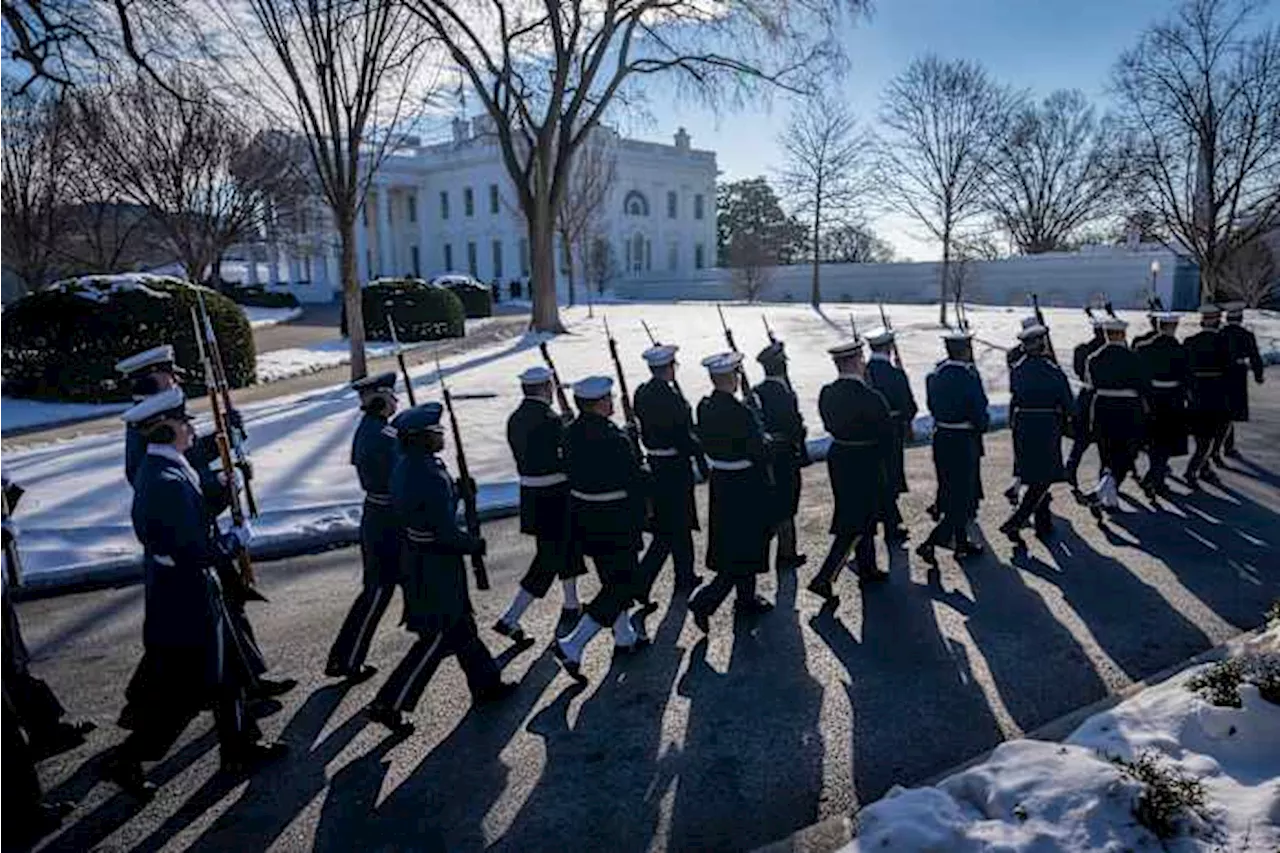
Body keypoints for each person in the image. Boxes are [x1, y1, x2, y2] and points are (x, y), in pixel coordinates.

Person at [103, 388, 286, 797]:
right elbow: (194, 549)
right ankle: (125, 760)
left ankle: (240, 746)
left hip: (191, 589)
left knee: (228, 673)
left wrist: (225, 487)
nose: (192, 429)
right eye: (185, 423)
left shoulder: (167, 468)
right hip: (184, 596)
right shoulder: (163, 479)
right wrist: (234, 542)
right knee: (185, 692)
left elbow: (194, 516)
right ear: (167, 429)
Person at [115, 346, 295, 713]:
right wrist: (220, 484)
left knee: (230, 609)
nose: (177, 379)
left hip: (198, 534)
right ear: (152, 381)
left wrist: (224, 437)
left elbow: (188, 458)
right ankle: (146, 711)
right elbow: (179, 478)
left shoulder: (159, 421)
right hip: (187, 545)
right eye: (170, 375)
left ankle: (247, 683)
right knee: (177, 644)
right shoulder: (145, 434)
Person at [366, 403, 514, 734]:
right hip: (435, 565)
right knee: (436, 638)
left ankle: (487, 683)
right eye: (436, 433)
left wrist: (458, 493)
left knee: (461, 629)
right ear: (421, 438)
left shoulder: (411, 466)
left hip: (422, 559)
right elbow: (443, 531)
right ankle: (387, 703)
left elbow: (430, 512)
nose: (441, 437)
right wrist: (472, 544)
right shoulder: (428, 474)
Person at [554, 377, 650, 683]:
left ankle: (624, 636)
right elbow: (633, 482)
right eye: (608, 398)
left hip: (586, 517)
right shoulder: (614, 438)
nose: (612, 402)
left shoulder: (569, 434)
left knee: (611, 578)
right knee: (622, 583)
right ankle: (573, 644)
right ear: (598, 404)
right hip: (615, 519)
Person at [494, 366, 585, 644]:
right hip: (554, 495)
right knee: (548, 559)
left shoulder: (515, 418)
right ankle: (510, 618)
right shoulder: (549, 419)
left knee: (566, 547)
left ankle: (572, 603)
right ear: (546, 388)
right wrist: (569, 427)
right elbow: (566, 456)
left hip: (532, 495)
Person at [688, 352, 775, 632]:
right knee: (745, 546)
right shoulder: (740, 412)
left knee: (737, 544)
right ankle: (706, 601)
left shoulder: (705, 406)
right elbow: (757, 451)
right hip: (745, 483)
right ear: (732, 378)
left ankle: (746, 598)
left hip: (722, 481)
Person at [325, 373, 404, 682]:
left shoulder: (374, 429)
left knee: (381, 592)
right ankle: (347, 660)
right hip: (387, 521)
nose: (396, 401)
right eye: (391, 396)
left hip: (380, 516)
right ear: (382, 400)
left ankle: (344, 657)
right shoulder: (382, 435)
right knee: (378, 592)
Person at [807, 338, 894, 601]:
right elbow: (886, 435)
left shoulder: (827, 393)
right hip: (864, 459)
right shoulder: (871, 396)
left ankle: (867, 567)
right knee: (856, 520)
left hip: (840, 456)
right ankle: (823, 578)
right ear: (857, 362)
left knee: (859, 513)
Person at [633, 344, 706, 597]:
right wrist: (700, 449)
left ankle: (684, 574)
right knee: (673, 526)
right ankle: (644, 583)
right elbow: (681, 435)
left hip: (656, 464)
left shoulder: (641, 392)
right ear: (668, 368)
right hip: (674, 466)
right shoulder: (670, 398)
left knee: (676, 525)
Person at [916, 331, 990, 564]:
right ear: (966, 350)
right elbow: (979, 410)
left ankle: (960, 543)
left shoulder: (934, 376)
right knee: (963, 497)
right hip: (963, 438)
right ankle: (930, 543)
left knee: (950, 490)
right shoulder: (969, 378)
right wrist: (981, 426)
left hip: (942, 437)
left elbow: (931, 405)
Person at [999, 323, 1074, 542]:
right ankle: (1018, 520)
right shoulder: (1053, 371)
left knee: (1032, 475)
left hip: (1022, 424)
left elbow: (1015, 397)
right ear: (1042, 345)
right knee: (1043, 477)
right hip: (1046, 425)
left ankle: (1043, 522)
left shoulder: (1017, 370)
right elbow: (1069, 404)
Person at [753, 340, 808, 572]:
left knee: (776, 502)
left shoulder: (757, 391)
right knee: (786, 503)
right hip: (784, 454)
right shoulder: (783, 393)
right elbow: (793, 426)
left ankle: (785, 551)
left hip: (768, 455)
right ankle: (786, 553)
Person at [1083, 317, 1148, 512]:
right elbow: (1143, 384)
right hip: (1127, 408)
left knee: (1106, 454)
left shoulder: (1093, 358)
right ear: (1122, 334)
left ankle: (1109, 499)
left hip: (1102, 408)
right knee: (1127, 454)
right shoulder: (1134, 357)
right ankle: (1102, 490)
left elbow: (1091, 385)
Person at [863, 326, 917, 543]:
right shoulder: (895, 374)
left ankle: (890, 523)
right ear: (888, 347)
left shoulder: (863, 371)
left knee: (877, 477)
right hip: (891, 432)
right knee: (891, 477)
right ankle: (891, 526)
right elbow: (909, 407)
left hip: (867, 434)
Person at [1134, 313, 1190, 498]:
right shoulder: (1180, 349)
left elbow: (1138, 376)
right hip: (1172, 400)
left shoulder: (1143, 348)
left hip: (1150, 399)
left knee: (1153, 441)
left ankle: (1153, 477)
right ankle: (1156, 481)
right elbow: (1186, 378)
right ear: (1174, 326)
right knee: (1164, 443)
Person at [1183, 304, 1233, 488]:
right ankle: (1194, 469)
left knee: (1201, 436)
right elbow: (1230, 371)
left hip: (1196, 394)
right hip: (1217, 394)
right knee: (1214, 436)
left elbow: (1184, 369)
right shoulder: (1224, 341)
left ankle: (1203, 467)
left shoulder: (1190, 342)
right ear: (1217, 321)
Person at [1217, 302, 1266, 461]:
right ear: (1240, 317)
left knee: (1222, 410)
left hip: (1220, 373)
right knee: (1231, 412)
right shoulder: (1246, 335)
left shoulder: (1219, 334)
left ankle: (1223, 444)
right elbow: (1255, 357)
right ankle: (1226, 446)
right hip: (1237, 374)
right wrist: (1258, 375)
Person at [1065, 318, 1107, 493]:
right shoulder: (1107, 353)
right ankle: (1104, 479)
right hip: (1103, 399)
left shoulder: (1082, 350)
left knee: (1081, 441)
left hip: (1086, 397)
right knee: (1105, 443)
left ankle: (1071, 470)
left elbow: (1078, 371)